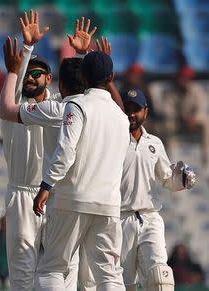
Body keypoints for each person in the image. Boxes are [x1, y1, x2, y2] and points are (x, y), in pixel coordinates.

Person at [33, 51, 130, 290]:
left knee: (52, 268)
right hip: (108, 204)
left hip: (73, 199)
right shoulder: (121, 116)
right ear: (112, 77)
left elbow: (66, 151)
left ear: (84, 77)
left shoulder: (77, 105)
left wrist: (46, 185)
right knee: (109, 274)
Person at [0, 10, 58, 290]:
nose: (31, 78)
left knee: (59, 271)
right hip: (22, 195)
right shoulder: (13, 105)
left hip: (54, 194)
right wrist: (27, 47)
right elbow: (15, 81)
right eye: (28, 74)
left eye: (37, 73)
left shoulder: (60, 106)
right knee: (22, 275)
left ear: (49, 77)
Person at [119, 89, 196, 291]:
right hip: (120, 219)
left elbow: (168, 180)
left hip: (150, 217)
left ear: (146, 112)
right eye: (127, 109)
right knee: (124, 285)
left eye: (136, 109)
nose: (131, 114)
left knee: (161, 279)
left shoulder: (154, 143)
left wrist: (182, 181)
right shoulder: (113, 141)